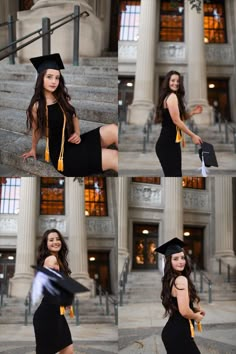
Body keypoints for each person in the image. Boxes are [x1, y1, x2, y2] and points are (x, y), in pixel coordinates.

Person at [21, 53, 118, 176]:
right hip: (63, 155)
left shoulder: (62, 98)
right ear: (41, 78)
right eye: (49, 77)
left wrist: (77, 132)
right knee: (114, 156)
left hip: (75, 142)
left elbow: (74, 116)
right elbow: (36, 130)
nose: (54, 81)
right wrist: (33, 149)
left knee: (114, 129)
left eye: (57, 78)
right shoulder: (37, 106)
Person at [155, 238, 205, 354]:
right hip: (179, 335)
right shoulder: (181, 279)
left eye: (182, 257)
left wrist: (195, 309)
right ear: (169, 261)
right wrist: (196, 317)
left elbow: (178, 305)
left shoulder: (170, 279)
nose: (181, 261)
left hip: (173, 332)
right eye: (175, 259)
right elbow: (184, 311)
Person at [33, 228, 75, 354]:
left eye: (57, 239)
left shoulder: (58, 260)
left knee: (68, 350)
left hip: (56, 314)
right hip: (48, 315)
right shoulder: (51, 259)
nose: (55, 242)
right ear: (46, 244)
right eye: (51, 240)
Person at [155, 70, 203, 176]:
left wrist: (193, 112)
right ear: (168, 81)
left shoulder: (171, 96)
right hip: (167, 145)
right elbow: (176, 121)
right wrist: (193, 135)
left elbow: (178, 117)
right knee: (174, 174)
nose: (176, 83)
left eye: (178, 81)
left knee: (174, 174)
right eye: (173, 80)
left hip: (171, 143)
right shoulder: (172, 97)